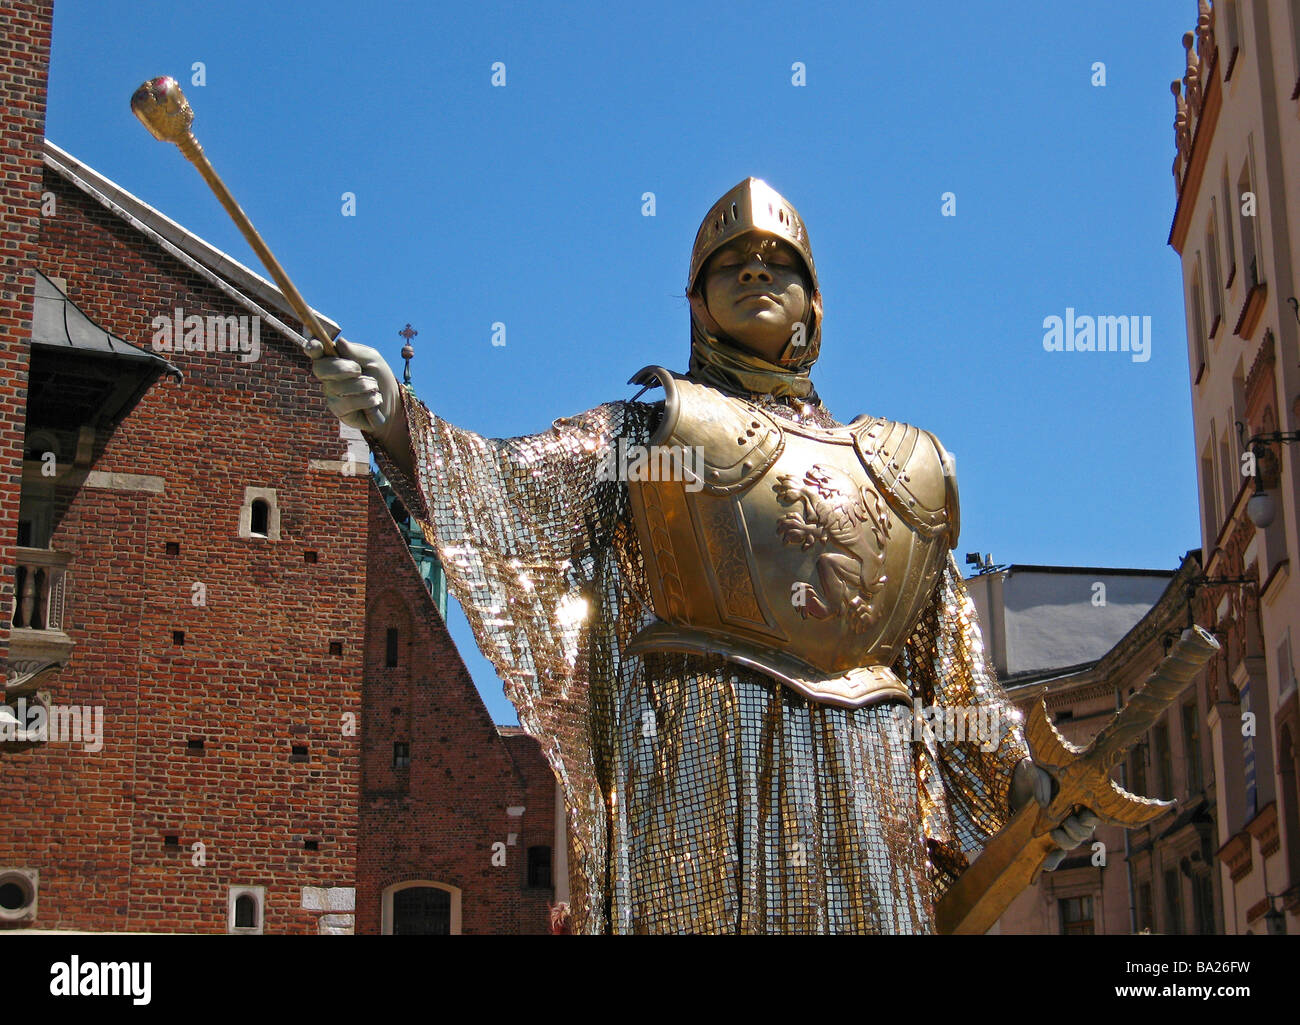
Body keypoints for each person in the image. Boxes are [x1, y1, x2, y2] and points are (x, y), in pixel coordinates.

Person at [308, 178, 1095, 934]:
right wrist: (398, 425)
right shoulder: (658, 437)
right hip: (704, 787)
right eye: (729, 262)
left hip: (864, 802)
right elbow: (515, 490)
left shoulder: (899, 469)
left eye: (779, 260)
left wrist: (1017, 780)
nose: (755, 267)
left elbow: (947, 651)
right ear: (695, 304)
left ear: (815, 301)